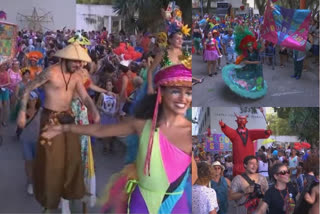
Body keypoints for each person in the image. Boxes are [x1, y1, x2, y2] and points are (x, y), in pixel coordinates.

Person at [42, 58, 192, 213]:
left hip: (175, 206)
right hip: (141, 204)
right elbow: (100, 131)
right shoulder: (142, 125)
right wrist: (63, 128)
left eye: (188, 92)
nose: (183, 98)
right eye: (175, 91)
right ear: (161, 93)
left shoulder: (191, 133)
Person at [16, 41, 100, 212]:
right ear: (65, 59)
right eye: (76, 61)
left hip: (68, 118)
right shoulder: (50, 72)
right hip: (50, 120)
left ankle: (70, 194)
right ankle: (48, 203)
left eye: (81, 62)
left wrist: (94, 110)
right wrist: (21, 113)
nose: (79, 65)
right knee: (50, 162)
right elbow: (27, 89)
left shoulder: (76, 75)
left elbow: (84, 97)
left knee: (73, 158)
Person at [222, 26, 267, 99]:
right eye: (248, 46)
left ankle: (258, 89)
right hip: (250, 67)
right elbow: (245, 61)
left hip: (258, 68)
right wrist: (254, 62)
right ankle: (249, 89)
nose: (250, 47)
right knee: (246, 77)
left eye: (251, 46)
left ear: (253, 45)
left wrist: (262, 42)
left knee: (258, 78)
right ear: (246, 46)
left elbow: (263, 48)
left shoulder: (256, 50)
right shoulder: (246, 52)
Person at [20, 91, 41, 195]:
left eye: (34, 99)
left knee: (37, 162)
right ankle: (30, 182)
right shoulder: (23, 111)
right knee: (29, 162)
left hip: (38, 141)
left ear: (37, 100)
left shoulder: (41, 111)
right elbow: (20, 125)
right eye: (30, 99)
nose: (32, 101)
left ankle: (38, 180)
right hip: (26, 140)